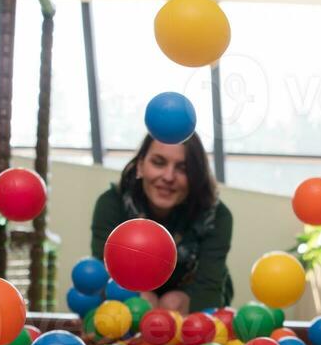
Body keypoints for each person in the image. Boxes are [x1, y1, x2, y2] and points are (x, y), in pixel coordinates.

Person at [91, 132, 233, 313]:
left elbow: (208, 291)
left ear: (196, 175)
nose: (168, 177)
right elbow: (105, 276)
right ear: (141, 166)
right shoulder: (112, 204)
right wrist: (138, 300)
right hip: (130, 296)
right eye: (158, 163)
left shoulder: (216, 216)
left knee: (171, 302)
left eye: (183, 168)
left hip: (191, 297)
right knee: (143, 302)